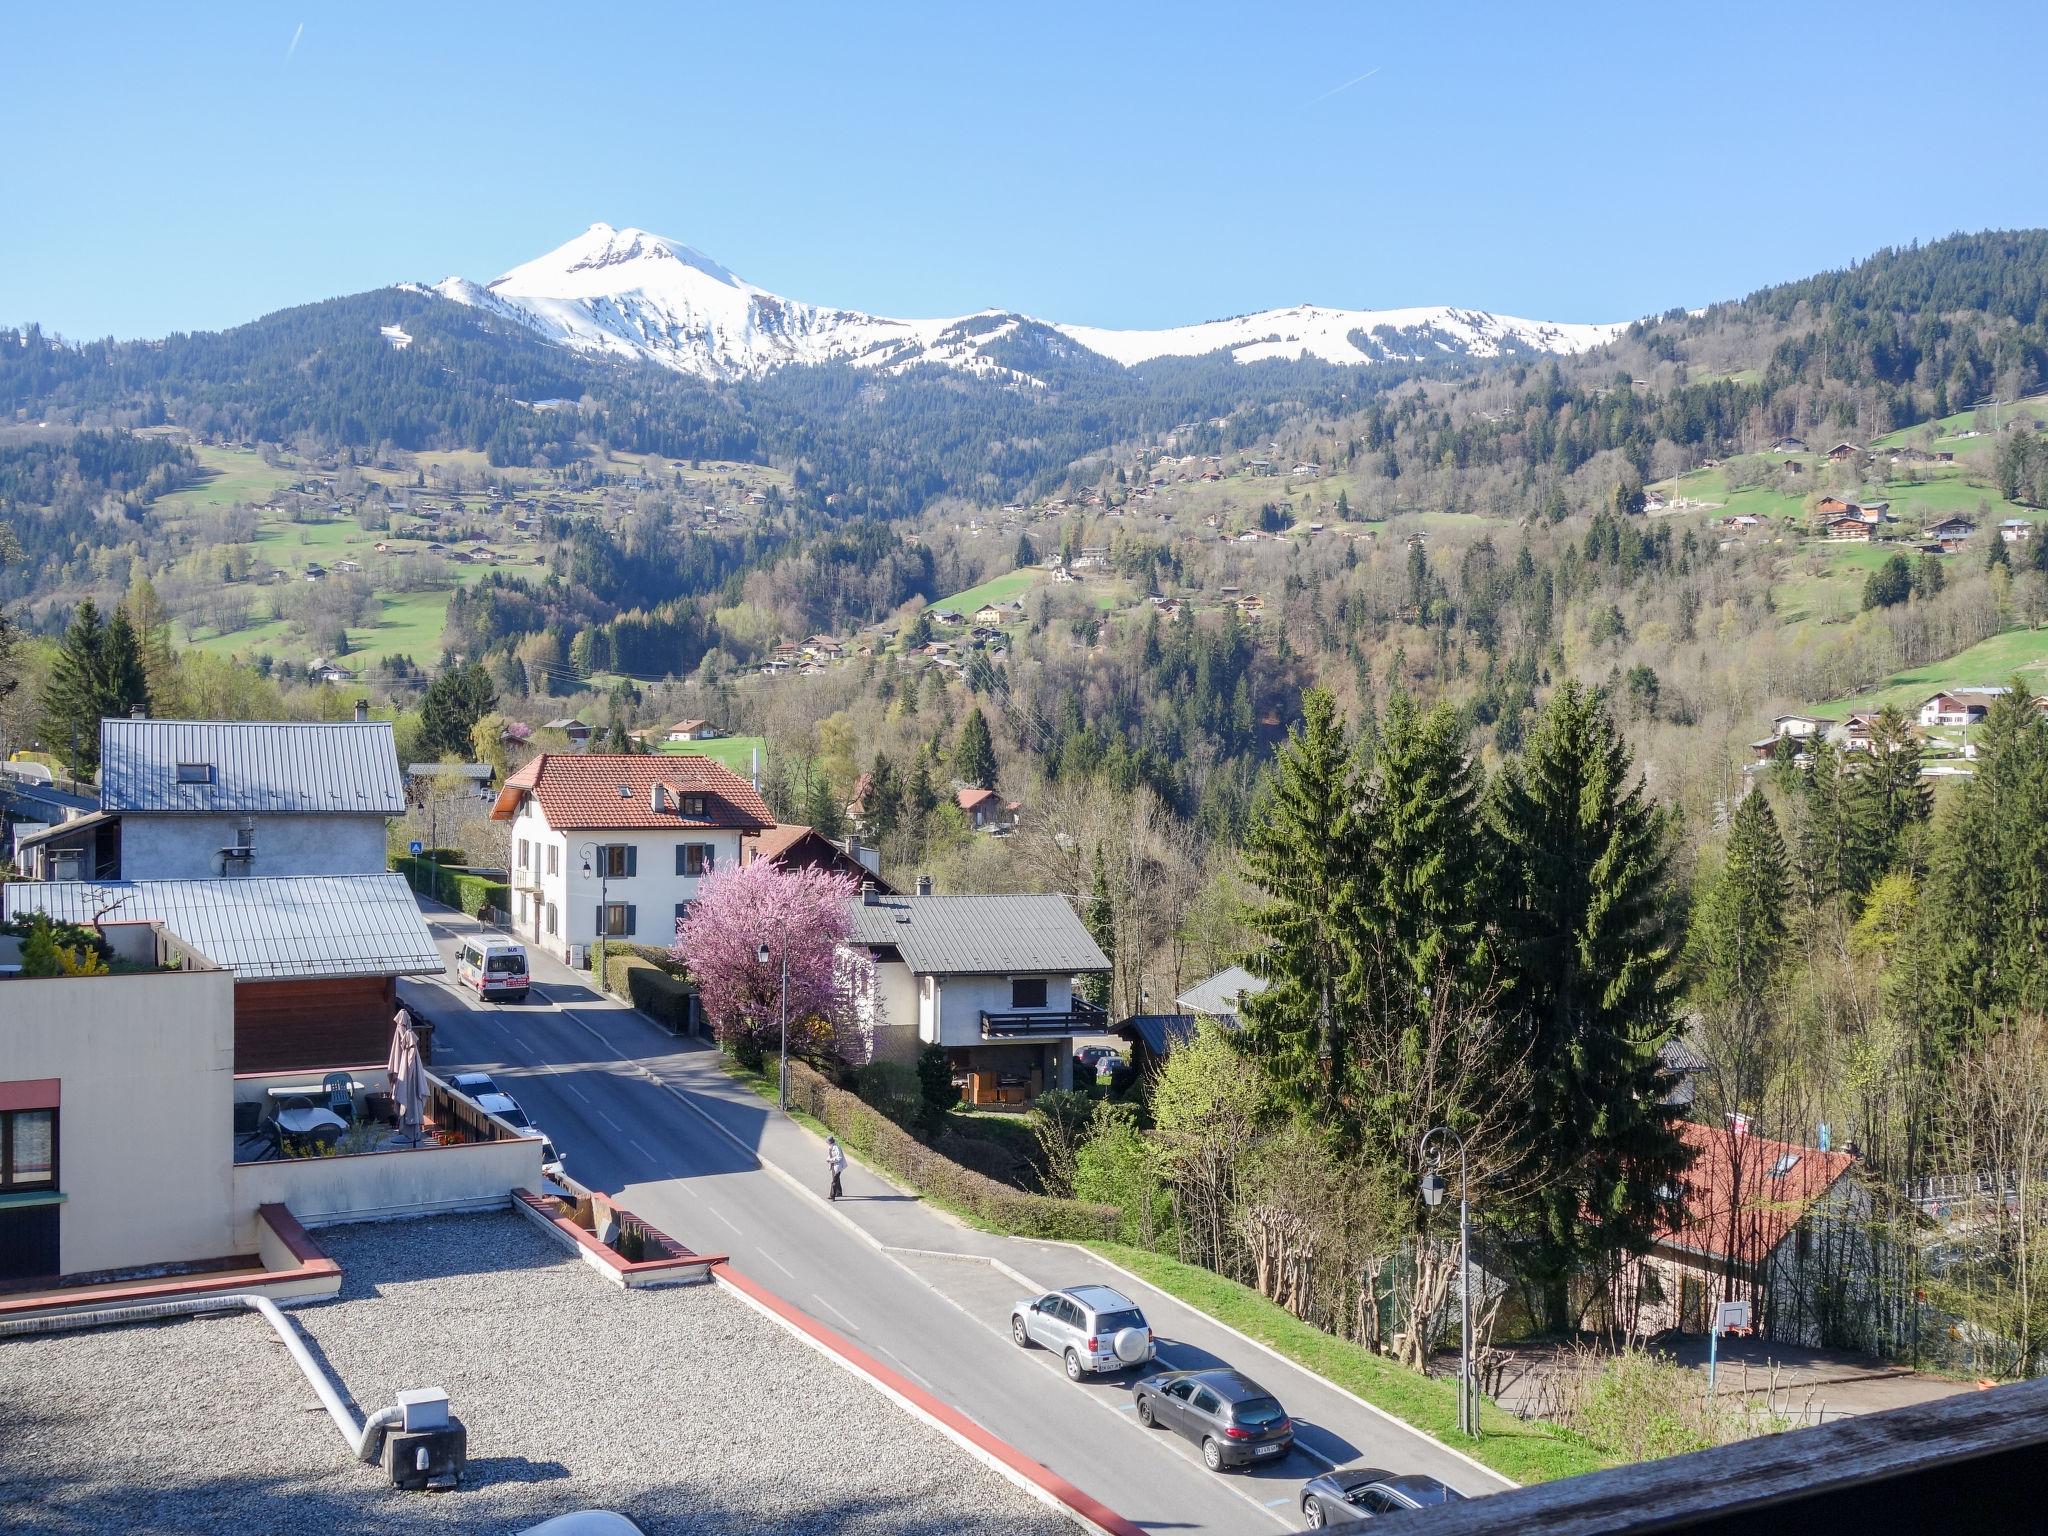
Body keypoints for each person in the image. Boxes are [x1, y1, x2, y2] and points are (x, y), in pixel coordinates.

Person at [826, 1135, 847, 1201]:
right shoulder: (831, 1147)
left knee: (834, 1181)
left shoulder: (836, 1148)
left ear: (830, 1142)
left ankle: (832, 1196)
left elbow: (839, 1157)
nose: (826, 1143)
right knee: (836, 1179)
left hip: (837, 1166)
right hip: (833, 1166)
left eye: (827, 1142)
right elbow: (830, 1155)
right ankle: (839, 1192)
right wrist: (828, 1159)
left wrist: (831, 1160)